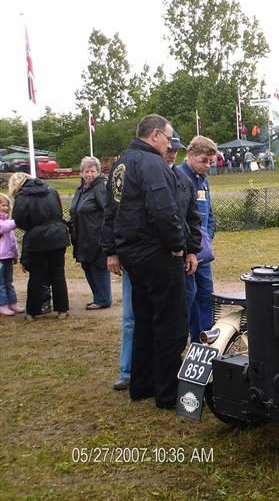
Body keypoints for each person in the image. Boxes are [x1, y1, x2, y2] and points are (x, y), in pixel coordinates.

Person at [100, 114, 191, 409]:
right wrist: (178, 245)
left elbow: (111, 211)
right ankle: (167, 393)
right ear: (154, 135)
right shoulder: (151, 164)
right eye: (167, 137)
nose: (168, 144)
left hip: (133, 255)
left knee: (144, 320)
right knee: (170, 323)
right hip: (157, 254)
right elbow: (164, 210)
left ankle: (141, 385)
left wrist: (112, 248)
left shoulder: (121, 164)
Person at [9, 172, 70, 320]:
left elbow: (19, 220)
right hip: (58, 235)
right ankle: (62, 309)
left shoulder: (22, 197)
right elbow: (59, 212)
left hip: (38, 238)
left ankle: (32, 310)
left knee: (37, 275)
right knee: (58, 273)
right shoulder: (51, 191)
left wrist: (32, 228)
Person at [178, 135, 217, 343]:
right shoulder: (177, 176)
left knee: (206, 295)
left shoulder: (203, 180)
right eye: (203, 160)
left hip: (202, 251)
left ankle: (206, 339)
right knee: (188, 297)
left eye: (210, 161)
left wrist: (206, 239)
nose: (207, 165)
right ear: (190, 155)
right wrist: (187, 247)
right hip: (185, 252)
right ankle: (191, 340)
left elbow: (208, 215)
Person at [69, 156, 111, 310]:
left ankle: (103, 299)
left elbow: (108, 211)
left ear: (98, 172)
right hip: (82, 236)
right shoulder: (81, 190)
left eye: (93, 171)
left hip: (96, 236)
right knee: (87, 266)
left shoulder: (100, 188)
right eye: (86, 171)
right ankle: (98, 297)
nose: (89, 174)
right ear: (81, 173)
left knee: (98, 267)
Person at [0, 193, 23, 316]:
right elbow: (3, 227)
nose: (5, 208)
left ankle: (12, 303)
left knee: (9, 281)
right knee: (1, 283)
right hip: (0, 257)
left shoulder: (7, 221)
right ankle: (2, 305)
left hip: (8, 256)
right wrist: (19, 220)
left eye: (7, 205)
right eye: (3, 205)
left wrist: (15, 254)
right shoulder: (6, 223)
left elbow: (13, 242)